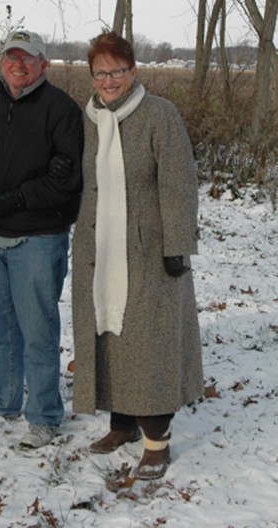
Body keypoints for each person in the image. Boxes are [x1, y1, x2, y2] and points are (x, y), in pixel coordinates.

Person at [71, 30, 203, 480]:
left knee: (147, 346)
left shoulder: (159, 115)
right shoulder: (88, 118)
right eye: (100, 72)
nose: (109, 80)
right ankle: (121, 424)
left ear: (134, 71)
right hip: (98, 250)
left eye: (117, 71)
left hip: (147, 255)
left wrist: (178, 246)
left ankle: (156, 442)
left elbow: (180, 185)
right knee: (109, 340)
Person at [0, 30, 84, 449]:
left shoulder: (61, 109)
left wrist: (18, 197)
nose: (18, 64)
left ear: (43, 65)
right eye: (11, 57)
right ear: (1, 62)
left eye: (27, 58)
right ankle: (3, 398)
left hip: (38, 236)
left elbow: (67, 175)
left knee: (37, 329)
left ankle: (45, 414)